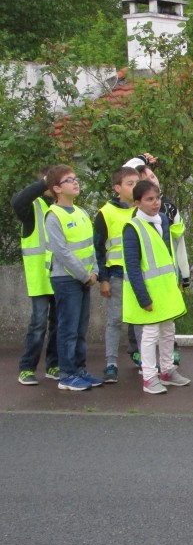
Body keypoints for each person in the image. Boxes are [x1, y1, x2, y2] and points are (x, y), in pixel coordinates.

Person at [123, 179, 189, 394]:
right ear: (137, 203)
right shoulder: (132, 228)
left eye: (157, 198)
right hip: (149, 291)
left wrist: (178, 279)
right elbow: (132, 266)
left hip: (166, 289)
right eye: (149, 199)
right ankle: (149, 377)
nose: (155, 203)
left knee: (168, 330)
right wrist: (143, 297)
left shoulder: (163, 220)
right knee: (150, 334)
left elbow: (168, 253)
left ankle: (167, 370)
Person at [44, 165, 103, 391]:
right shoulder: (53, 215)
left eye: (75, 178)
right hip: (66, 279)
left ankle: (80, 370)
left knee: (80, 329)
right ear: (57, 188)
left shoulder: (82, 212)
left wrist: (95, 271)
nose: (75, 182)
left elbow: (91, 246)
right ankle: (67, 375)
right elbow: (61, 252)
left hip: (85, 278)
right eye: (69, 180)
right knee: (68, 329)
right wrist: (83, 275)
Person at [93, 166, 141, 383]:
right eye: (130, 184)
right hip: (117, 274)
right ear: (117, 188)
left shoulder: (142, 210)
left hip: (139, 274)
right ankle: (111, 364)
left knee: (140, 319)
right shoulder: (106, 213)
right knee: (114, 320)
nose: (135, 187)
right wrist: (103, 278)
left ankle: (145, 360)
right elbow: (98, 248)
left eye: (137, 183)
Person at [11, 169, 59, 385]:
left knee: (58, 323)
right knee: (38, 324)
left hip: (60, 275)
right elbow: (17, 201)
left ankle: (54, 365)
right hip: (39, 277)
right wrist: (44, 183)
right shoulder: (33, 207)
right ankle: (27, 368)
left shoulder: (62, 207)